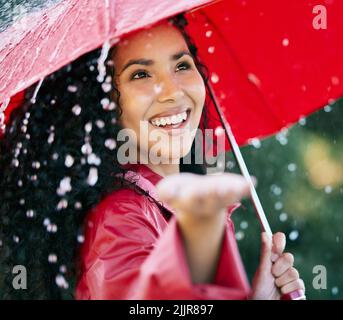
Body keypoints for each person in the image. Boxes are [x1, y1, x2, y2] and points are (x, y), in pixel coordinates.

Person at [0, 14, 304, 300]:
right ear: (102, 104)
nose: (171, 91)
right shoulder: (121, 220)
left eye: (182, 66)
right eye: (141, 74)